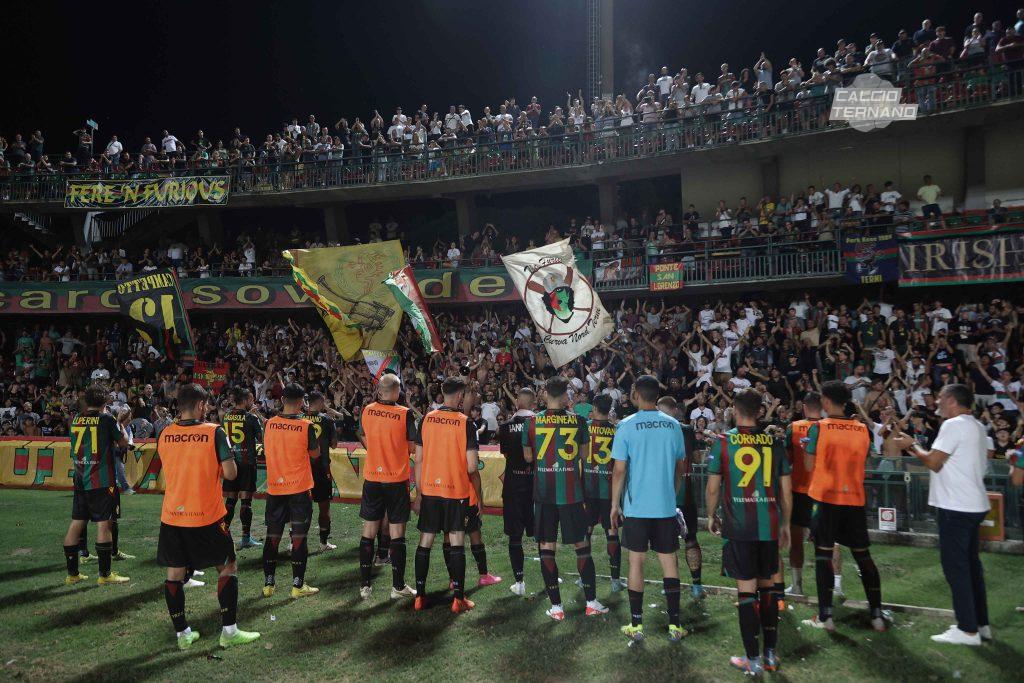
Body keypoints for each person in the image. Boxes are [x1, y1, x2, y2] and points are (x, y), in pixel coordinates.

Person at [155, 383, 261, 650]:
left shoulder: (165, 433)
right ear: (201, 406)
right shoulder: (214, 432)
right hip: (206, 514)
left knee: (175, 572)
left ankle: (183, 635)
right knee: (227, 566)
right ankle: (229, 631)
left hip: (172, 514)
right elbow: (231, 474)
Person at [893, 384, 991, 645]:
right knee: (971, 567)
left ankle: (967, 630)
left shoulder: (953, 425)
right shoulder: (977, 426)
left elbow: (934, 462)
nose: (935, 401)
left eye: (940, 397)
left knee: (956, 568)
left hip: (957, 506)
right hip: (973, 504)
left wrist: (911, 444)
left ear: (950, 400)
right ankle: (980, 625)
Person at [705, 389, 792, 675]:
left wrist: (710, 514)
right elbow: (786, 491)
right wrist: (786, 524)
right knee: (767, 589)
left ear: (733, 409)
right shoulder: (774, 443)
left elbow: (714, 486)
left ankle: (752, 659)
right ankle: (770, 655)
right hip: (768, 525)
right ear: (760, 411)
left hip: (739, 527)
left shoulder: (724, 442)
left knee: (746, 591)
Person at [801, 381, 886, 632]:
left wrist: (807, 449)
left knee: (823, 556)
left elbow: (808, 466)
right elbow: (866, 460)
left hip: (824, 499)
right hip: (854, 499)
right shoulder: (862, 430)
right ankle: (877, 615)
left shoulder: (819, 428)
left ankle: (826, 617)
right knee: (863, 557)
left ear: (825, 401)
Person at [523, 376, 607, 621]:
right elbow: (584, 455)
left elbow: (528, 458)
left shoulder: (533, 422)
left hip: (545, 494)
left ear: (545, 393)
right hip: (572, 493)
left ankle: (557, 607)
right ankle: (591, 602)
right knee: (581, 546)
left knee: (547, 547)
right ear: (565, 394)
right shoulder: (579, 421)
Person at [610, 375, 687, 643]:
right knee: (670, 564)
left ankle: (636, 625)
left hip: (637, 508)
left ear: (635, 394)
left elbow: (619, 471)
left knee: (636, 562)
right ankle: (675, 626)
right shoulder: (673, 425)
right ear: (657, 394)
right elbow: (680, 468)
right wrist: (671, 492)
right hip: (665, 507)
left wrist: (614, 505)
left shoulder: (626, 426)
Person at [412, 377, 478, 614]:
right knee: (457, 542)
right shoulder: (465, 423)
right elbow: (472, 467)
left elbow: (417, 459)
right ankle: (457, 599)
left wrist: (419, 493)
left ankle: (419, 597)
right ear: (460, 396)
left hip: (429, 490)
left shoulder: (426, 420)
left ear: (442, 392)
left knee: (425, 542)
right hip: (455, 491)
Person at [62, 384, 132, 586]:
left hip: (80, 479)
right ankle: (105, 574)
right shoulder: (107, 419)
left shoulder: (76, 419)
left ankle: (72, 574)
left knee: (76, 523)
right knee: (104, 524)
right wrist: (119, 424)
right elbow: (123, 443)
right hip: (101, 480)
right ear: (105, 402)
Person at [356, 373, 417, 600]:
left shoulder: (368, 410)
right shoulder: (404, 414)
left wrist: (378, 449)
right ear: (397, 390)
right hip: (396, 479)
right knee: (397, 532)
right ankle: (397, 587)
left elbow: (363, 435)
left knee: (369, 530)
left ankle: (365, 586)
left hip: (372, 477)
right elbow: (411, 447)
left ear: (381, 390)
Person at [260, 384, 320, 599]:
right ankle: (297, 586)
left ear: (282, 400)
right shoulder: (306, 426)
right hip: (299, 489)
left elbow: (266, 450)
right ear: (302, 401)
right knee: (299, 537)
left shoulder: (269, 425)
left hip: (276, 487)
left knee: (273, 536)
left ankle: (268, 584)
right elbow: (315, 454)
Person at [660, 395, 705, 600]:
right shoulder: (687, 430)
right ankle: (696, 586)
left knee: (668, 543)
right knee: (691, 539)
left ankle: (671, 584)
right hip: (686, 494)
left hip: (665, 495)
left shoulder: (657, 430)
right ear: (676, 411)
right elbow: (696, 458)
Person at [497, 386, 537, 596]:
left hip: (513, 484)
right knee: (542, 533)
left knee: (515, 536)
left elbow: (504, 454)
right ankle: (551, 575)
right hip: (536, 485)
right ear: (533, 403)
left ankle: (519, 581)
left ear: (517, 402)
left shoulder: (505, 427)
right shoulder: (539, 424)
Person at [582, 394, 624, 592]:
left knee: (586, 531)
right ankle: (615, 580)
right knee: (612, 532)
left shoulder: (585, 426)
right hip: (609, 490)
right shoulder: (616, 430)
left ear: (595, 407)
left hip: (587, 489)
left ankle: (584, 578)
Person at [784, 391, 821, 596]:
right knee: (827, 543)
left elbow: (787, 460)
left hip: (799, 491)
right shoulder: (827, 427)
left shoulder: (794, 428)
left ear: (804, 407)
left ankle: (797, 586)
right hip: (823, 492)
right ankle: (834, 587)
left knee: (796, 540)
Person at [221, 388, 264, 549]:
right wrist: (258, 417)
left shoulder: (226, 416)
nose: (252, 402)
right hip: (247, 463)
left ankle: (223, 535)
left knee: (230, 501)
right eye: (251, 399)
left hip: (231, 463)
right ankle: (246, 538)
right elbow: (262, 438)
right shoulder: (251, 417)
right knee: (246, 502)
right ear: (245, 400)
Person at [305, 391, 338, 552]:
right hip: (322, 468)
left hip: (302, 468)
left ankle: (294, 542)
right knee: (324, 507)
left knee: (299, 506)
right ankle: (323, 543)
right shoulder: (327, 420)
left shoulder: (300, 419)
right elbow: (333, 445)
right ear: (320, 401)